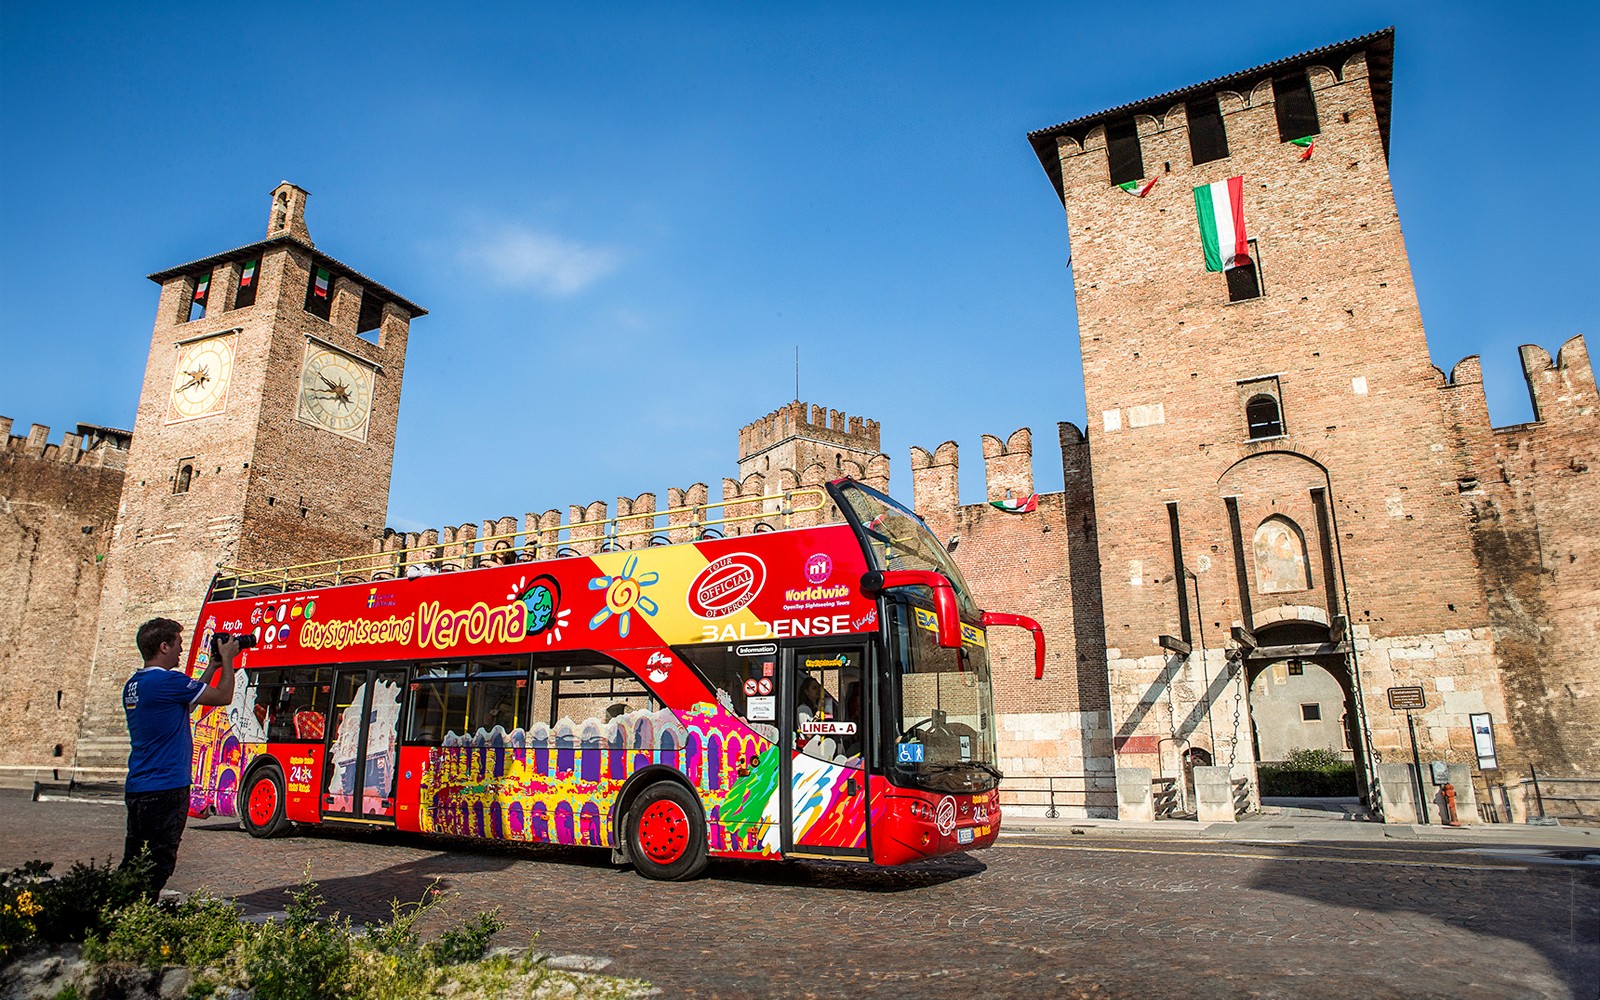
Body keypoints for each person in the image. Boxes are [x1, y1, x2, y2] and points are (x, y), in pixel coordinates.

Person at [120, 618, 238, 895]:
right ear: (163, 646)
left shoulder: (135, 684)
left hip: (139, 785)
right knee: (159, 861)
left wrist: (213, 667)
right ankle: (139, 915)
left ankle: (118, 907)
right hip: (166, 786)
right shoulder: (168, 681)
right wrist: (230, 660)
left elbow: (190, 701)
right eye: (178, 644)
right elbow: (223, 696)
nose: (181, 651)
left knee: (134, 857)